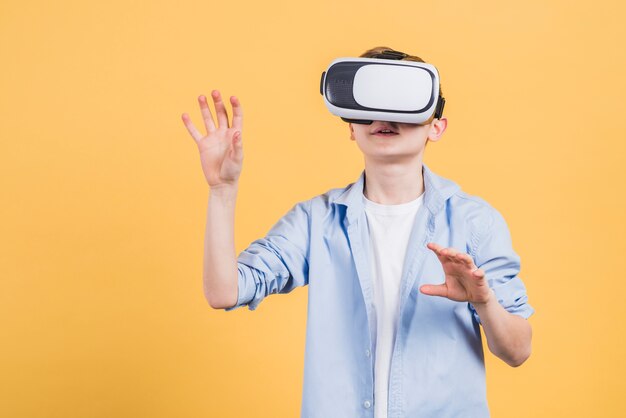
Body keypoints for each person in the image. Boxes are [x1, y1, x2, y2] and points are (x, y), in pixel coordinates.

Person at [181, 46, 534, 418]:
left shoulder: (475, 222)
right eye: (371, 103)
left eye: (402, 101)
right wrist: (222, 191)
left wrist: (483, 300)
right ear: (351, 124)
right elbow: (224, 293)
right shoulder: (316, 220)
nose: (384, 115)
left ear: (437, 126)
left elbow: (518, 350)